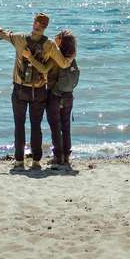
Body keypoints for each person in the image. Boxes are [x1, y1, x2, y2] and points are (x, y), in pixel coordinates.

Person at [0, 14, 52, 169]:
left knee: (19, 125)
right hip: (39, 90)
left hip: (20, 89)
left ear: (34, 23)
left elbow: (4, 34)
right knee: (36, 126)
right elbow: (60, 61)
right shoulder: (49, 44)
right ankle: (36, 161)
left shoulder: (20, 38)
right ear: (45, 27)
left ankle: (19, 161)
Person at [43, 30, 80, 168]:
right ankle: (66, 156)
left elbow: (45, 70)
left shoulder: (56, 57)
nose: (54, 39)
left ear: (60, 41)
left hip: (55, 95)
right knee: (66, 126)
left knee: (55, 127)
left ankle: (58, 157)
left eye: (57, 38)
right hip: (69, 95)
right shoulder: (72, 57)